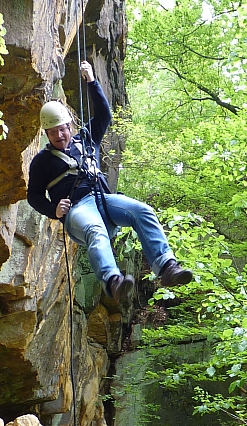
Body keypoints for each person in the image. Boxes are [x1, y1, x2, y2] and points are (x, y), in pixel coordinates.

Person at [27, 60, 193, 303]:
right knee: (95, 230)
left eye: (62, 129)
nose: (59, 135)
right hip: (78, 210)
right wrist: (54, 210)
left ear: (69, 126)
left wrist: (92, 81)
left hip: (103, 199)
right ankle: (113, 281)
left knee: (143, 211)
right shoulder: (41, 162)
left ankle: (167, 267)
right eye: (53, 132)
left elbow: (104, 115)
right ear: (47, 134)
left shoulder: (86, 138)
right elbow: (33, 196)